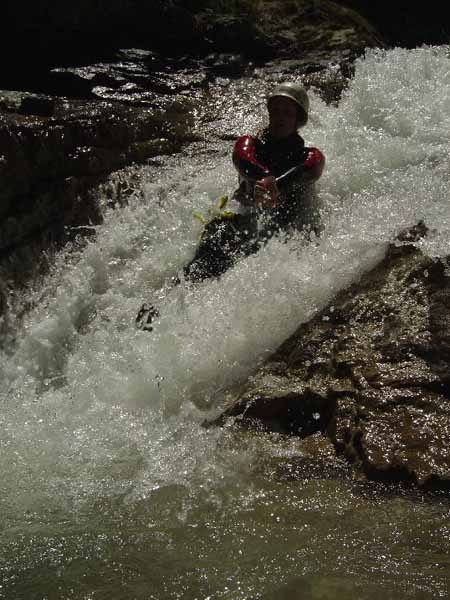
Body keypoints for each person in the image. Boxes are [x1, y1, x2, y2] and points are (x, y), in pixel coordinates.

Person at [136, 82, 325, 330]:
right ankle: (160, 307)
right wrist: (265, 178)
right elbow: (242, 159)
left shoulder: (308, 156)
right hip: (252, 225)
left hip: (290, 233)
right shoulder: (250, 145)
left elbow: (311, 169)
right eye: (275, 111)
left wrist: (276, 184)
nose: (279, 118)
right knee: (216, 240)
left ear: (298, 119)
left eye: (286, 113)